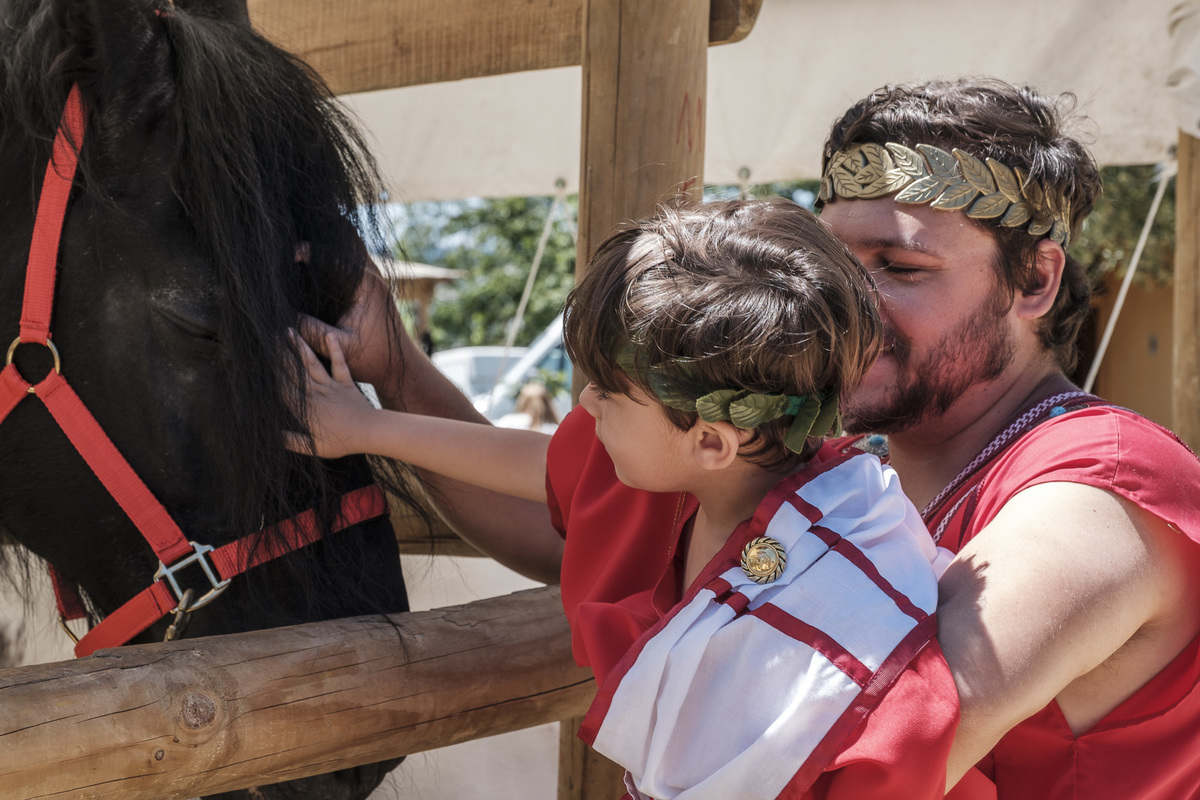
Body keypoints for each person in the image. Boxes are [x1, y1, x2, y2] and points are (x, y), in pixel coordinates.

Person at [291, 198, 959, 799]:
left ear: (710, 441)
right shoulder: (716, 461)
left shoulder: (834, 615)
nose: (584, 402)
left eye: (608, 393)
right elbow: (544, 465)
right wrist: (366, 426)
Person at [814, 78, 1200, 798]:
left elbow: (872, 757)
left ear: (1033, 280)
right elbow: (577, 503)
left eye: (899, 268)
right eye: (830, 267)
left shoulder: (1103, 484)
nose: (840, 307)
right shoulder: (855, 469)